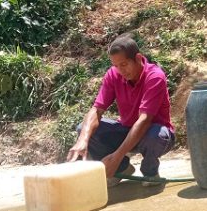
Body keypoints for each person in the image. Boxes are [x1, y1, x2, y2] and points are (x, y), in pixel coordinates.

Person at [67, 36, 174, 187]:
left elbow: (144, 121)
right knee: (84, 129)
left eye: (124, 64)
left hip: (154, 134)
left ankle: (150, 172)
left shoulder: (155, 76)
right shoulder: (113, 74)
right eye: (116, 65)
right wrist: (82, 140)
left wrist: (116, 157)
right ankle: (122, 169)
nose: (120, 70)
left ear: (138, 58)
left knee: (155, 135)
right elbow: (96, 110)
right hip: (126, 131)